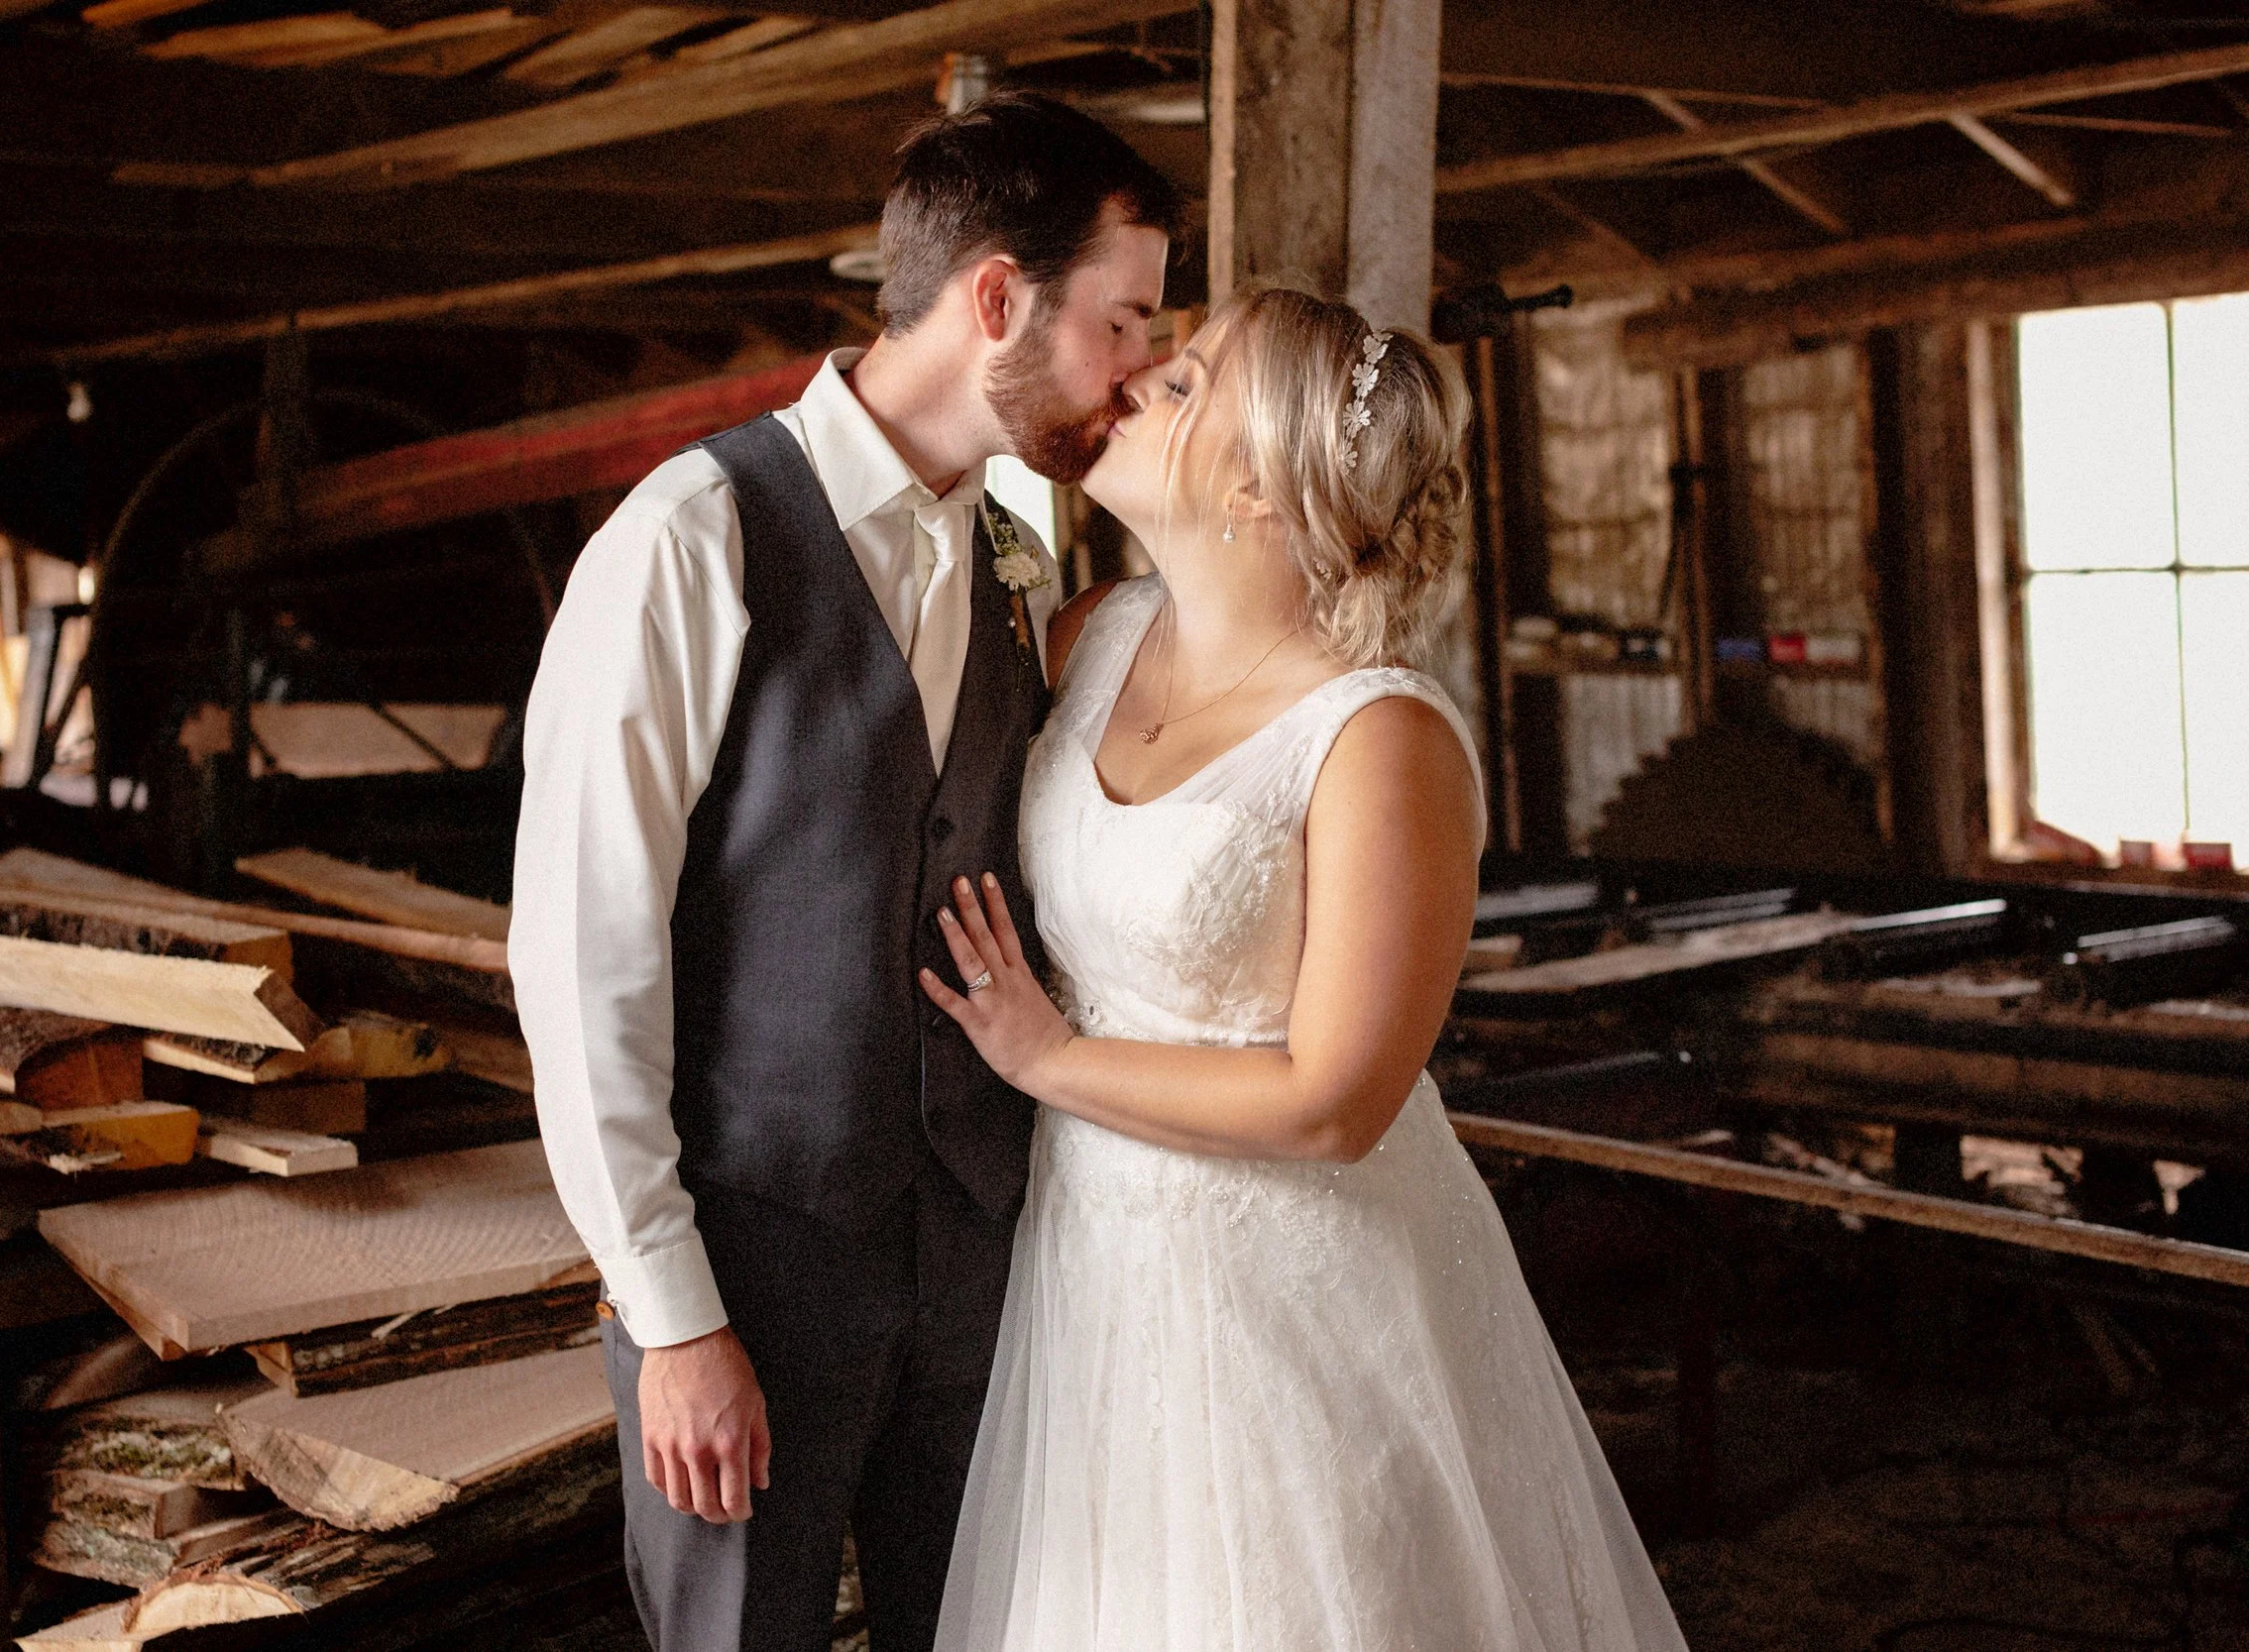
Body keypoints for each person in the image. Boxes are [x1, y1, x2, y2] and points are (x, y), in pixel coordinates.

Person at [919, 284, 1690, 1651]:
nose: (1144, 380)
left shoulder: (1381, 737)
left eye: (1190, 384)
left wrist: (1048, 1058)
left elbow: (1339, 1103)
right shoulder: (1087, 634)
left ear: (1267, 495)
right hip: (1093, 1269)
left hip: (1294, 1303)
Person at [509, 94, 1181, 1652]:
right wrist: (673, 1316)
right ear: (998, 299)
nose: (1138, 369)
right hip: (754, 1271)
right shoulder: (692, 538)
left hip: (980, 1269)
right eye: (1125, 320)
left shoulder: (1020, 561)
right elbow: (580, 961)